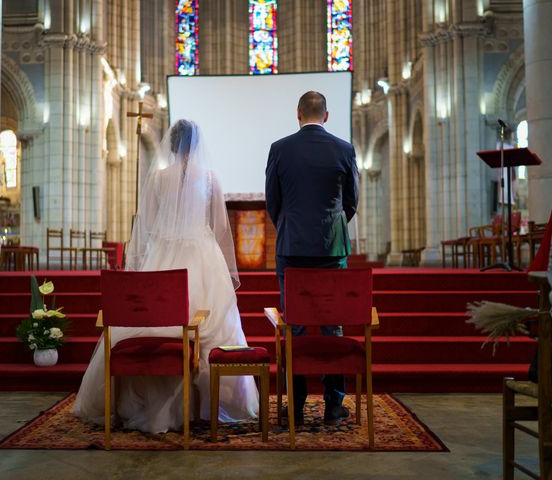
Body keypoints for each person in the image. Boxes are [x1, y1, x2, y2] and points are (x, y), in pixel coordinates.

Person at [74, 119, 259, 433]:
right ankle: (208, 407)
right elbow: (217, 225)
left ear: (171, 145)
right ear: (197, 146)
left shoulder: (158, 179)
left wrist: (164, 243)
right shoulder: (211, 178)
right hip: (202, 257)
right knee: (212, 328)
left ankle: (155, 407)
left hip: (162, 257)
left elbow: (146, 225)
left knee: (153, 324)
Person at [265, 91, 359, 425]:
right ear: (327, 116)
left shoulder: (280, 149)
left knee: (295, 327)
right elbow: (351, 202)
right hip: (332, 249)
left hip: (291, 249)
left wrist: (290, 227)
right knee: (333, 325)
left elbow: (272, 202)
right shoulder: (344, 149)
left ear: (298, 114)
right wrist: (331, 228)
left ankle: (297, 406)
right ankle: (334, 405)